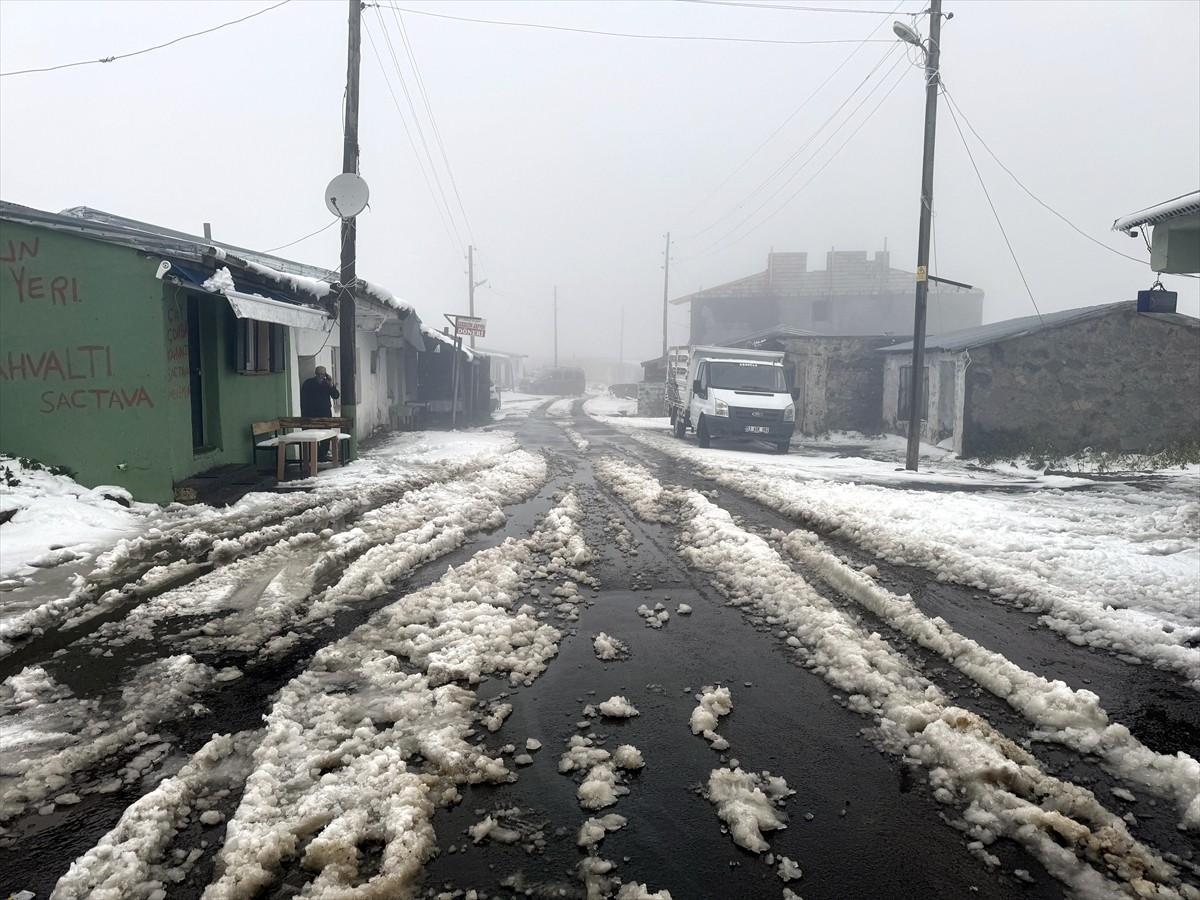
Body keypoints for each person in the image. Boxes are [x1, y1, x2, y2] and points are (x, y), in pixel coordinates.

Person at [300, 366, 340, 461]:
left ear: (325, 374)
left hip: (325, 413)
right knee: (311, 435)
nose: (320, 375)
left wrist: (331, 385)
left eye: (322, 374)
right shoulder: (308, 383)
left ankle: (323, 455)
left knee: (326, 435)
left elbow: (336, 396)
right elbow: (303, 398)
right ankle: (313, 456)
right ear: (315, 373)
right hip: (311, 413)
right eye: (318, 373)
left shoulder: (327, 384)